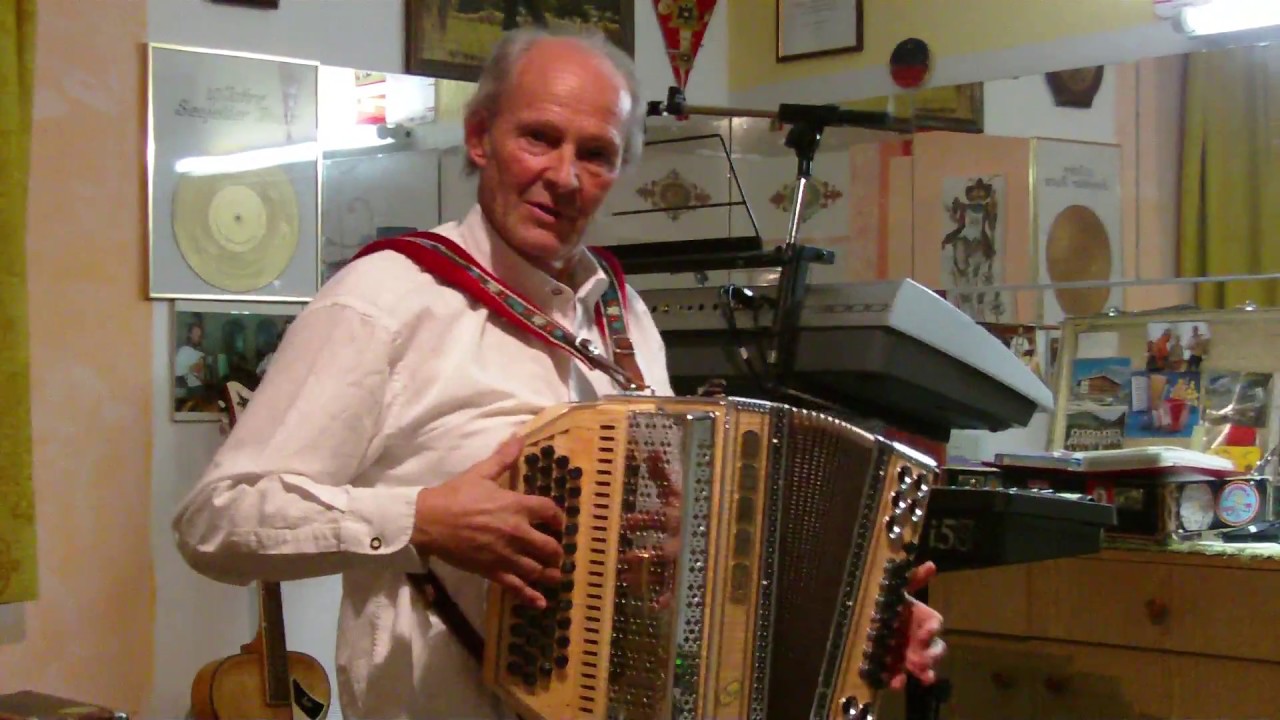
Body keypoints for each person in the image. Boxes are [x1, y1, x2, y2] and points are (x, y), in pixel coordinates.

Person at [171, 28, 945, 720]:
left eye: (596, 153)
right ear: (480, 137)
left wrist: (857, 615)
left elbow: (681, 550)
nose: (566, 176)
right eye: (539, 138)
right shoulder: (386, 300)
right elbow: (218, 521)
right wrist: (421, 522)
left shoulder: (626, 318)